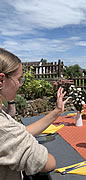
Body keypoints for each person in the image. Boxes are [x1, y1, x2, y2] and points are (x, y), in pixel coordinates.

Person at [0, 48, 69, 180]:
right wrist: (30, 143)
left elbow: (24, 131)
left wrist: (57, 111)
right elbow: (47, 163)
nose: (20, 85)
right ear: (1, 80)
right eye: (19, 79)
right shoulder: (3, 127)